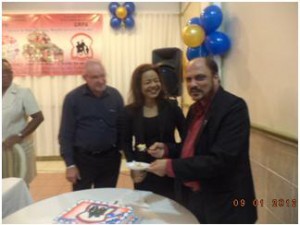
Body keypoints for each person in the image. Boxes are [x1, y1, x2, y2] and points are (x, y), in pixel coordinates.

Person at [147, 57, 257, 223]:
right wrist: (168, 150)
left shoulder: (234, 108)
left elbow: (221, 160)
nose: (193, 84)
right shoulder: (194, 109)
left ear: (216, 78)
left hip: (226, 206)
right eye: (189, 79)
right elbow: (191, 149)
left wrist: (171, 166)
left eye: (200, 77)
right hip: (197, 199)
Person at [121, 63, 185, 200]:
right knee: (146, 211)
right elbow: (125, 142)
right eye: (148, 82)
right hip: (143, 171)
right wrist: (133, 167)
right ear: (139, 86)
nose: (153, 85)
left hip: (168, 169)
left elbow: (187, 139)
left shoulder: (172, 107)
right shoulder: (129, 112)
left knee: (170, 210)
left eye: (156, 81)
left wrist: (169, 150)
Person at [59, 59, 124, 191]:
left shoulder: (115, 96)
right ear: (85, 78)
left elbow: (122, 128)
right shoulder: (73, 99)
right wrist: (70, 165)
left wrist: (123, 152)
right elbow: (66, 134)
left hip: (110, 160)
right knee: (82, 200)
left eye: (103, 76)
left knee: (107, 198)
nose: (100, 80)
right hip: (83, 160)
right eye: (95, 77)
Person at [2, 58, 44, 185]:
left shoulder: (22, 93)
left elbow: (38, 117)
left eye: (8, 71)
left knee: (19, 186)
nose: (5, 75)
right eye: (1, 72)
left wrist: (19, 135)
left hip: (17, 148)